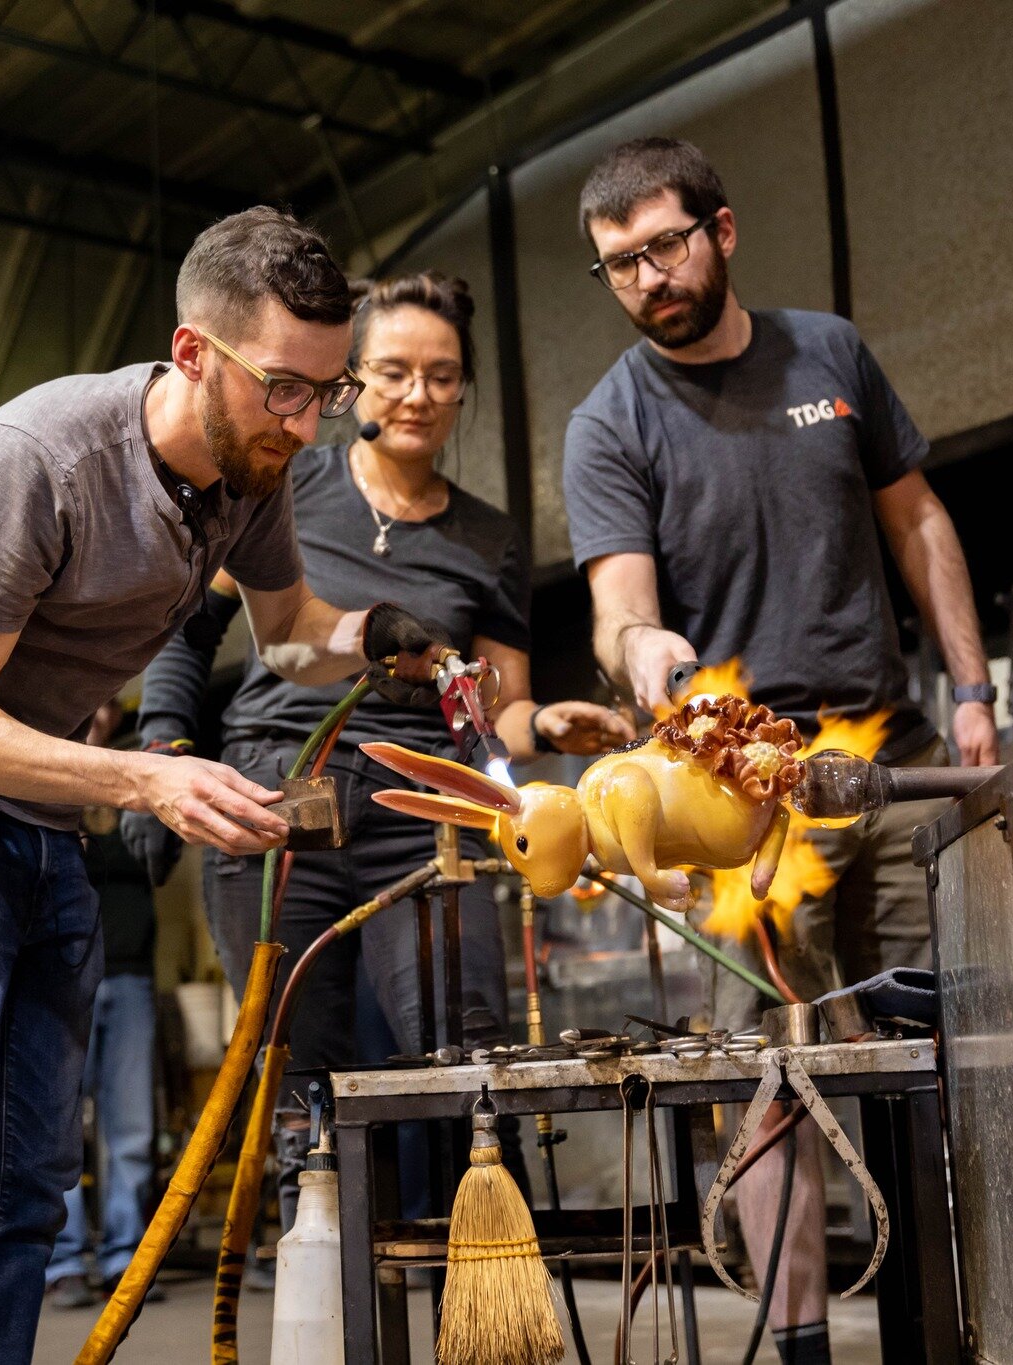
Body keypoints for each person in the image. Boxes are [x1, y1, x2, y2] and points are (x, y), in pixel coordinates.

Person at [0, 206, 452, 1364]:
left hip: (38, 792)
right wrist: (147, 781)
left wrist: (373, 638)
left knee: (27, 1178)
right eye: (283, 390)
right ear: (195, 352)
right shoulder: (42, 461)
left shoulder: (252, 478)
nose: (307, 428)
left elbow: (287, 634)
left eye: (328, 391)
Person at [564, 137, 998, 1365]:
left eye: (662, 245)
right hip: (740, 799)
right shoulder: (611, 422)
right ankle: (800, 1344)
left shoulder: (829, 353)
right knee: (771, 1076)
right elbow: (617, 603)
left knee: (948, 1051)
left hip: (893, 759)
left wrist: (969, 688)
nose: (647, 277)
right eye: (617, 265)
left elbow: (915, 519)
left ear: (722, 230)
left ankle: (956, 1322)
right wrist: (641, 650)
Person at [141, 270, 633, 1229]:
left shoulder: (486, 536)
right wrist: (165, 742)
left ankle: (487, 1310)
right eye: (396, 372)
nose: (419, 395)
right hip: (284, 791)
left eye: (443, 376)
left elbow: (500, 707)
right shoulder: (288, 481)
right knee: (301, 1089)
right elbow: (187, 628)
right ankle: (330, 1305)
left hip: (429, 808)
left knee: (469, 1059)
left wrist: (549, 728)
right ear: (351, 380)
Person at [45, 701, 168, 1311]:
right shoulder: (46, 762)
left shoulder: (134, 771)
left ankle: (125, 1257)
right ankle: (64, 1260)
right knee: (59, 1124)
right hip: (62, 974)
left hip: (129, 975)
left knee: (131, 1130)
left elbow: (150, 858)